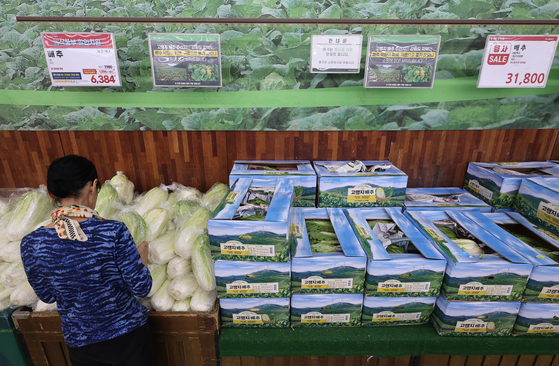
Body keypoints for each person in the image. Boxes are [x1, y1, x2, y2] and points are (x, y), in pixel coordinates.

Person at [20, 155, 156, 366]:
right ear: (92, 187)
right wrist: (142, 260)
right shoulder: (113, 231)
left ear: (50, 193)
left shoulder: (31, 243)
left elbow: (46, 296)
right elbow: (142, 287)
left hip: (81, 343)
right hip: (129, 338)